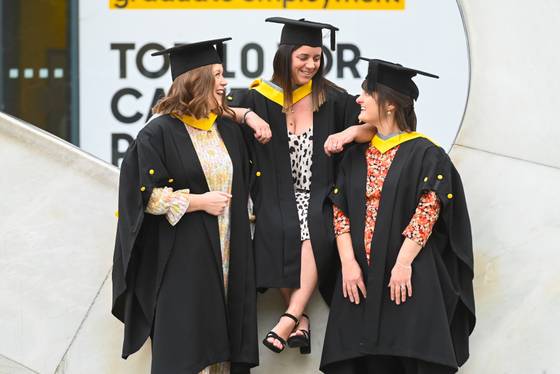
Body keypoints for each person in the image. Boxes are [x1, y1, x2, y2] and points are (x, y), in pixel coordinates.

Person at [111, 38, 258, 374]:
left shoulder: (226, 131)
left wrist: (248, 116)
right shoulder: (158, 132)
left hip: (230, 251)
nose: (224, 82)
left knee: (227, 348)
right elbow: (141, 194)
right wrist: (196, 202)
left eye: (224, 74)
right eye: (217, 75)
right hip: (185, 257)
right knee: (190, 345)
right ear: (197, 80)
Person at [320, 58, 475, 374]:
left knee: (411, 357)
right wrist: (348, 265)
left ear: (389, 104)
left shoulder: (426, 154)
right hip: (359, 279)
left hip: (410, 276)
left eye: (366, 92)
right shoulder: (354, 154)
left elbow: (427, 212)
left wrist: (403, 264)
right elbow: (340, 213)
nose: (358, 99)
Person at [235, 17, 375, 355]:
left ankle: (289, 318)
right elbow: (219, 110)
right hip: (274, 194)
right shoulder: (260, 98)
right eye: (303, 57)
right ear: (286, 57)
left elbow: (372, 128)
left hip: (321, 193)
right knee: (274, 225)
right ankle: (301, 322)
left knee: (311, 226)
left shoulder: (335, 99)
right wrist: (248, 117)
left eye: (316, 58)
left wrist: (347, 133)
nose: (311, 65)